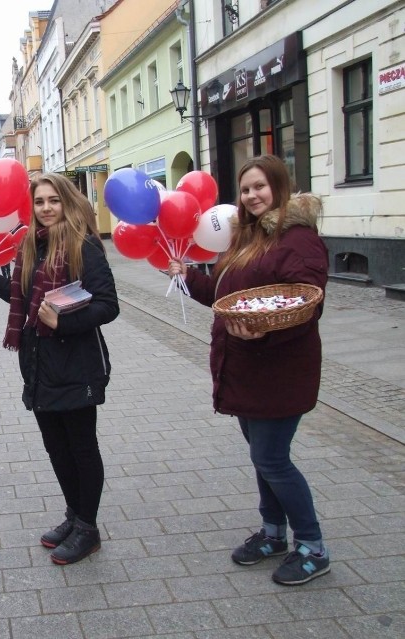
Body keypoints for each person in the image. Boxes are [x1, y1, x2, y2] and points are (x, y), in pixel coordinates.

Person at [167, 155, 330, 586]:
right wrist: (188, 277)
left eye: (260, 186)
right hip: (243, 368)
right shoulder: (246, 237)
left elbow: (306, 305)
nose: (252, 195)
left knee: (272, 459)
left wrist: (264, 335)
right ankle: (274, 534)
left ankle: (312, 546)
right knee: (263, 460)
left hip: (279, 371)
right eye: (245, 189)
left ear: (279, 186)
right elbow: (224, 295)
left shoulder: (298, 239)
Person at [0, 172, 119, 565]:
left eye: (54, 200)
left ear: (67, 202)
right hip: (38, 362)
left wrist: (65, 323)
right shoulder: (29, 246)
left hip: (77, 363)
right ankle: (74, 514)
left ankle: (88, 527)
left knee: (81, 447)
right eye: (40, 202)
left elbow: (108, 304)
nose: (47, 208)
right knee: (56, 447)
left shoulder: (84, 245)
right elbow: (22, 296)